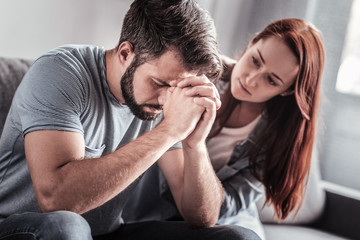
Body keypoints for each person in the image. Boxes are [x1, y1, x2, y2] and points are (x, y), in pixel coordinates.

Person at [0, 0, 261, 239]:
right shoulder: (61, 72)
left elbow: (201, 216)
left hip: (108, 232)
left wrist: (195, 144)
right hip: (25, 227)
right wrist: (169, 131)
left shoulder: (165, 100)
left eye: (176, 88)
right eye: (159, 83)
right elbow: (56, 199)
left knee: (239, 237)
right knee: (66, 226)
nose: (164, 101)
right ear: (126, 53)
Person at [122, 18, 325, 240]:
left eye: (272, 80)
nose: (251, 79)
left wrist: (196, 146)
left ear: (287, 91)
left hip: (222, 220)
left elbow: (218, 211)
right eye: (256, 61)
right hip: (152, 207)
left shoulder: (275, 140)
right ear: (252, 43)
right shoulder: (197, 72)